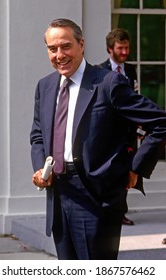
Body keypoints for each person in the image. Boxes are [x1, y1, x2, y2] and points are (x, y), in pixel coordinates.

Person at [30, 18, 166, 260]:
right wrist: (41, 168)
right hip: (58, 197)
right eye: (53, 49)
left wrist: (136, 166)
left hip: (97, 199)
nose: (59, 55)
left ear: (81, 44)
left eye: (66, 46)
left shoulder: (109, 83)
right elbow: (38, 134)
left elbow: (160, 122)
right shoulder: (45, 86)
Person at [98, 28, 141, 226]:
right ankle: (107, 209)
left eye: (127, 48)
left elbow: (136, 98)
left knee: (127, 171)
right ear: (110, 49)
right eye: (120, 48)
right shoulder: (100, 71)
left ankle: (120, 211)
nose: (124, 52)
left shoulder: (131, 71)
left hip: (128, 131)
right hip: (108, 132)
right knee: (110, 172)